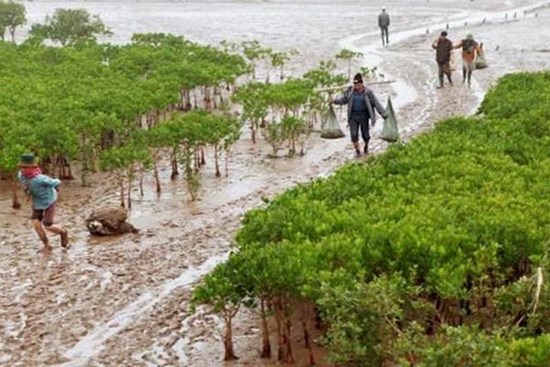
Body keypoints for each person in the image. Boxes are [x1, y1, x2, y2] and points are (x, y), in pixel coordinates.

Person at [18, 153, 69, 251]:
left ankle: (63, 231)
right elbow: (24, 184)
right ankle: (47, 245)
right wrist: (27, 192)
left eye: (27, 167)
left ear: (33, 168)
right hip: (37, 202)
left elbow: (56, 182)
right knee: (36, 224)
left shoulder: (40, 179)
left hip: (49, 201)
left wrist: (56, 187)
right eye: (22, 167)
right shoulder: (21, 175)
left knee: (48, 225)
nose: (24, 169)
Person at [330, 73, 388, 157]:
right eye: (354, 84)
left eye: (357, 85)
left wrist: (384, 114)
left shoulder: (368, 92)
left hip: (364, 115)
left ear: (361, 84)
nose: (356, 86)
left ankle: (366, 147)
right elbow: (343, 100)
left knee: (366, 135)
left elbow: (376, 103)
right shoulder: (350, 92)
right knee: (354, 135)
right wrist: (334, 101)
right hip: (353, 115)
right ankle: (357, 151)